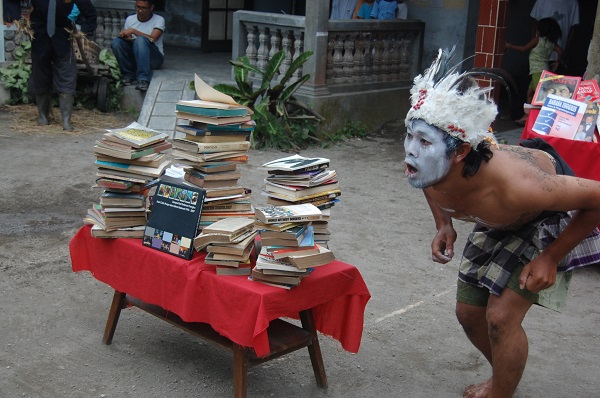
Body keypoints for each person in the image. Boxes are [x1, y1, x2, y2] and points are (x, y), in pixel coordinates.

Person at [403, 49, 600, 398]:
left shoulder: (523, 188)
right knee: (468, 313)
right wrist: (443, 225)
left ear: (460, 152)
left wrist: (551, 257)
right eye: (410, 137)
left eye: (423, 141)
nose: (410, 151)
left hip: (543, 219)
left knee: (501, 317)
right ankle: (503, 377)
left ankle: (502, 392)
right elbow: (427, 185)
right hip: (496, 220)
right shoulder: (429, 164)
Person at [24, 0, 97, 130]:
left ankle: (66, 120)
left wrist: (83, 32)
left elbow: (90, 13)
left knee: (66, 76)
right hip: (40, 38)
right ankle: (42, 116)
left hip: (63, 39)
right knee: (40, 76)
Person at [506, 17, 562, 126]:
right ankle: (527, 116)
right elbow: (561, 51)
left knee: (540, 96)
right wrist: (557, 63)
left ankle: (544, 119)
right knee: (530, 92)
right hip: (543, 71)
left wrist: (509, 45)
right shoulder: (551, 43)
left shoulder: (537, 40)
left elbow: (523, 48)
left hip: (537, 71)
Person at [111, 0, 165, 91]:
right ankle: (128, 74)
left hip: (154, 59)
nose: (140, 10)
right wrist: (125, 36)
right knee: (117, 42)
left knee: (141, 40)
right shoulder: (130, 19)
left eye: (143, 8)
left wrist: (133, 31)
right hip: (136, 56)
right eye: (138, 7)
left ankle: (143, 79)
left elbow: (152, 38)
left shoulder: (159, 20)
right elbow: (128, 39)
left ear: (151, 8)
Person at [530, 0, 579, 71]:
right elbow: (535, 22)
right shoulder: (542, 1)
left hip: (559, 55)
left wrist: (566, 51)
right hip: (541, 53)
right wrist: (534, 44)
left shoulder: (572, 2)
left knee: (555, 77)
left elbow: (573, 29)